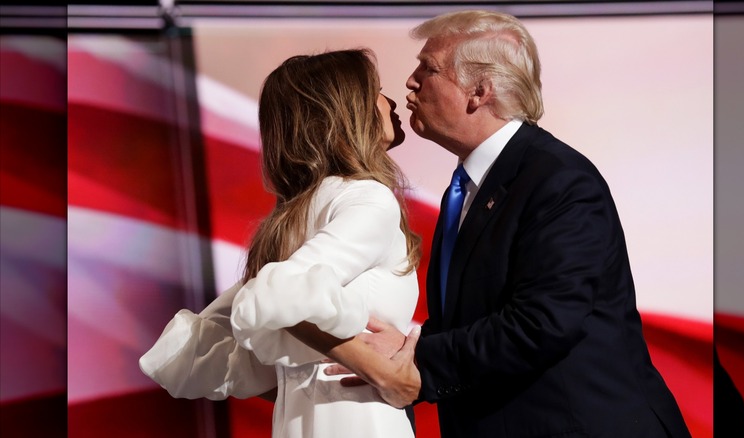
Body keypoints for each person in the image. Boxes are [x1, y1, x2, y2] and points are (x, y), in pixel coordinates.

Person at [321, 10, 692, 438]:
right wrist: (406, 348)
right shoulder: (469, 186)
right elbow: (477, 316)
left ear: (479, 91)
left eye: (429, 67)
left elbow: (542, 322)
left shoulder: (559, 180)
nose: (411, 80)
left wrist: (419, 360)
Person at [139, 48, 422, 438]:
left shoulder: (291, 215)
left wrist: (301, 379)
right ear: (346, 110)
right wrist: (383, 374)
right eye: (377, 89)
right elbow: (274, 297)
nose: (390, 101)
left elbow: (190, 351)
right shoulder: (368, 198)